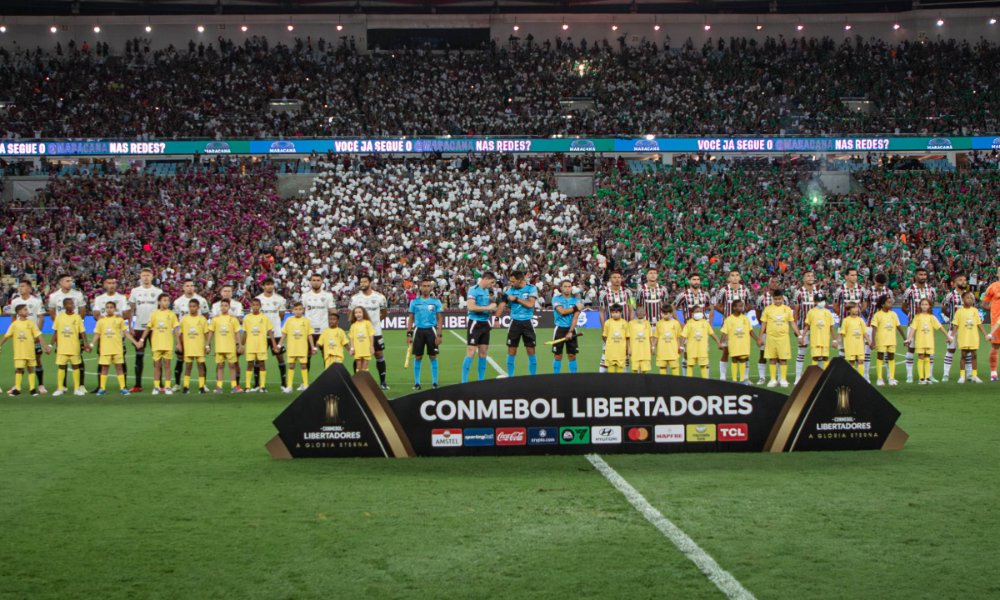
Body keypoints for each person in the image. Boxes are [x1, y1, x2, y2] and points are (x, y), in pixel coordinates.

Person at [47, 274, 87, 392]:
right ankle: (62, 386)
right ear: (61, 283)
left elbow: (83, 311)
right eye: (67, 281)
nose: (70, 282)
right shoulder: (54, 296)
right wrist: (61, 324)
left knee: (79, 357)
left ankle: (81, 385)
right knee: (61, 358)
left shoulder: (77, 294)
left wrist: (76, 323)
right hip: (62, 331)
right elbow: (52, 311)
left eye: (71, 280)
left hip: (75, 329)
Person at [349, 274, 389, 388]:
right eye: (361, 282)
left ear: (370, 283)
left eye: (365, 282)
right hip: (360, 334)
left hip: (375, 332)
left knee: (379, 354)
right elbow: (351, 314)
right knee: (359, 356)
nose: (362, 284)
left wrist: (374, 324)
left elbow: (384, 313)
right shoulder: (355, 298)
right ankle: (357, 382)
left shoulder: (380, 297)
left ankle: (383, 382)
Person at [2, 303, 51, 395]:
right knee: (19, 369)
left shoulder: (31, 323)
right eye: (25, 309)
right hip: (19, 352)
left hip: (30, 351)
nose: (27, 311)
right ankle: (17, 389)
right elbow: (6, 336)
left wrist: (45, 346)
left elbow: (38, 335)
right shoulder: (14, 324)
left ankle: (32, 389)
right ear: (19, 312)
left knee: (31, 369)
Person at [8, 279, 47, 394]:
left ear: (29, 288)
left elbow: (41, 318)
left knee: (37, 359)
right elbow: (13, 318)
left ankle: (40, 385)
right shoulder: (15, 301)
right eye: (19, 286)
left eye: (23, 286)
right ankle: (17, 385)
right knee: (20, 359)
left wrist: (36, 333)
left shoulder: (36, 301)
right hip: (21, 337)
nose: (20, 288)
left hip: (33, 336)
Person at [128, 268, 163, 392]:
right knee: (139, 356)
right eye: (143, 275)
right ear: (140, 277)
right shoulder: (135, 291)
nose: (146, 277)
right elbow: (131, 309)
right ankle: (138, 385)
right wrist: (130, 326)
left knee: (158, 357)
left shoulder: (158, 291)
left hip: (154, 329)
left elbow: (162, 309)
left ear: (152, 276)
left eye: (148, 275)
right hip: (138, 327)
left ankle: (160, 384)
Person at [498, 270, 539, 377]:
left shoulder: (531, 288)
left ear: (520, 280)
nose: (511, 283)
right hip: (514, 322)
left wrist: (516, 299)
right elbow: (502, 304)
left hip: (528, 322)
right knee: (511, 350)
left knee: (531, 350)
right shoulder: (509, 291)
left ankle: (533, 378)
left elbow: (530, 304)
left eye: (513, 281)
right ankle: (510, 377)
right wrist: (496, 318)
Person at [900, 268, 937, 383]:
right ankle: (909, 375)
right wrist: (912, 316)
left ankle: (929, 375)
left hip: (927, 327)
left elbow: (932, 305)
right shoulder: (909, 290)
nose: (923, 277)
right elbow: (903, 306)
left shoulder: (931, 290)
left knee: (929, 350)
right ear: (916, 276)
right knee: (911, 348)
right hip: (913, 325)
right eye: (920, 274)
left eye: (925, 274)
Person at [92, 301, 137, 395]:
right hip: (105, 349)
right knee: (104, 368)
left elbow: (126, 333)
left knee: (119, 368)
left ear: (115, 309)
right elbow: (97, 334)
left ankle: (123, 388)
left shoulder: (119, 320)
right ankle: (102, 388)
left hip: (117, 348)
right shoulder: (101, 321)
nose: (109, 309)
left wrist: (135, 343)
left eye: (111, 307)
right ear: (105, 309)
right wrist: (91, 344)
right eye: (107, 307)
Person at [137, 294, 179, 395]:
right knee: (156, 366)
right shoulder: (154, 314)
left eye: (168, 300)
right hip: (156, 344)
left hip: (167, 344)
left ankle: (167, 387)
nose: (166, 302)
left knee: (167, 366)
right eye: (164, 300)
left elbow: (176, 329)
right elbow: (148, 327)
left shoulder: (172, 314)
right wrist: (142, 339)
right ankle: (156, 387)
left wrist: (178, 343)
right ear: (159, 302)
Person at [406, 278, 444, 390]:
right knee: (418, 357)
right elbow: (411, 318)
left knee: (433, 356)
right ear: (420, 287)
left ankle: (435, 383)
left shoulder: (436, 302)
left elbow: (439, 319)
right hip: (418, 331)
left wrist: (439, 334)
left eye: (428, 286)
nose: (426, 288)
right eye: (424, 285)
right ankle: (417, 383)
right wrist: (409, 334)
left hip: (431, 330)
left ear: (431, 288)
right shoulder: (414, 302)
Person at [714, 270, 751, 382]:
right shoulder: (723, 290)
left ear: (740, 277)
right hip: (728, 325)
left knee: (744, 352)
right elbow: (718, 305)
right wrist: (727, 314)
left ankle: (745, 377)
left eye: (737, 275)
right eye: (732, 276)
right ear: (729, 278)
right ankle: (723, 377)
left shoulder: (745, 290)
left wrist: (742, 313)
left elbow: (749, 305)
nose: (735, 278)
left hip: (742, 326)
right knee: (726, 350)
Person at [173, 280, 210, 389]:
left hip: (197, 335)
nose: (190, 288)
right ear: (183, 288)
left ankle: (204, 384)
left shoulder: (202, 300)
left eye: (192, 286)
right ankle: (177, 384)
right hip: (183, 335)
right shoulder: (178, 302)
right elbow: (175, 319)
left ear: (194, 288)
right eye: (187, 286)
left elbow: (206, 316)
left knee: (201, 361)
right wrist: (178, 340)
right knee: (180, 359)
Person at [906, 298, 952, 385]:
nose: (924, 306)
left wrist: (948, 336)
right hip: (920, 340)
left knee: (927, 357)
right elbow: (913, 329)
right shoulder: (917, 317)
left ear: (929, 306)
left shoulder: (932, 317)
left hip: (929, 341)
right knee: (921, 357)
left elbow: (940, 327)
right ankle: (921, 378)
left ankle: (927, 377)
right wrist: (909, 339)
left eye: (926, 304)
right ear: (920, 306)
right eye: (922, 304)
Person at [462, 272, 498, 383]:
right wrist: (488, 307)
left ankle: (481, 381)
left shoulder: (487, 291)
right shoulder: (473, 290)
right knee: (471, 352)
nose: (492, 285)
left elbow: (489, 307)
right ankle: (464, 381)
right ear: (486, 279)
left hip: (485, 324)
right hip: (475, 323)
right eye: (491, 282)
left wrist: (493, 310)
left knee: (483, 352)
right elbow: (471, 307)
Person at [760, 290, 799, 387]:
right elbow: (763, 324)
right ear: (773, 299)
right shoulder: (768, 309)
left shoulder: (787, 309)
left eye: (779, 299)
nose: (778, 301)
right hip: (771, 337)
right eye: (776, 299)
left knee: (783, 359)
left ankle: (783, 379)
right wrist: (760, 337)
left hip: (783, 338)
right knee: (772, 358)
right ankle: (773, 379)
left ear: (782, 298)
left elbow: (792, 322)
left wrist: (799, 335)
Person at [51, 297, 89, 396]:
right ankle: (60, 388)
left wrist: (86, 343)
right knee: (61, 367)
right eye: (69, 304)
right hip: (62, 347)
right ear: (64, 306)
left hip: (74, 347)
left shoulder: (77, 317)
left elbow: (82, 332)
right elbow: (56, 332)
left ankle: (77, 389)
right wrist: (50, 345)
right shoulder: (59, 317)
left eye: (72, 304)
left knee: (76, 366)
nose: (71, 306)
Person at [255, 277, 287, 389]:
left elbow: (282, 315)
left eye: (271, 284)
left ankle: (284, 383)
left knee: (280, 357)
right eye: (267, 284)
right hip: (261, 334)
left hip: (276, 333)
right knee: (259, 358)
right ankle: (257, 384)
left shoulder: (280, 299)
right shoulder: (258, 299)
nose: (270, 286)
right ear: (263, 286)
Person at [599, 271, 633, 373]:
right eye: (614, 277)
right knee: (606, 354)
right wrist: (603, 328)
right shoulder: (604, 294)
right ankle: (602, 378)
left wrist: (630, 326)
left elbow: (631, 309)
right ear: (610, 279)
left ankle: (624, 380)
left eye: (619, 277)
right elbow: (601, 312)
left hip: (624, 329)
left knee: (625, 354)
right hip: (610, 329)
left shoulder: (628, 292)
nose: (617, 279)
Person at [207, 299, 243, 393]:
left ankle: (234, 386)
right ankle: (219, 387)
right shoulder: (215, 319)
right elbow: (210, 332)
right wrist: (208, 344)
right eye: (222, 305)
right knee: (220, 366)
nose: (223, 307)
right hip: (219, 347)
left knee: (232, 366)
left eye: (225, 305)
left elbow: (237, 333)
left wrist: (239, 345)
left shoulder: (233, 319)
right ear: (220, 307)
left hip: (230, 347)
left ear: (229, 307)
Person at [301, 273, 335, 373]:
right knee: (306, 355)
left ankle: (328, 379)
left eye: (318, 280)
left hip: (324, 330)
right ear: (310, 282)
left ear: (322, 282)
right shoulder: (305, 296)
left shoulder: (328, 296)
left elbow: (333, 311)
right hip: (309, 331)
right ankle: (305, 381)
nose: (316, 282)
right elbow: (300, 311)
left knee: (326, 355)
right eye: (314, 280)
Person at [719, 299, 758, 383]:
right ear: (734, 308)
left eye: (742, 306)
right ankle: (734, 380)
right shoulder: (729, 319)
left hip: (743, 343)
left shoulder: (745, 318)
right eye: (740, 306)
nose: (742, 307)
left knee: (743, 359)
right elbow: (724, 332)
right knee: (734, 360)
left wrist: (757, 339)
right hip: (733, 343)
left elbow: (750, 331)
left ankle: (742, 380)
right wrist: (720, 343)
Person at [954, 291, 990, 384]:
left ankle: (974, 375)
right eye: (968, 298)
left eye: (971, 298)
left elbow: (979, 324)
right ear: (963, 299)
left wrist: (985, 334)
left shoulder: (975, 310)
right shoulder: (959, 311)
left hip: (973, 336)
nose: (970, 300)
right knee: (963, 355)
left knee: (974, 355)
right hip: (963, 336)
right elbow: (956, 325)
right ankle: (962, 376)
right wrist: (951, 336)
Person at [792, 271, 821, 382]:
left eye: (812, 276)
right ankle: (798, 377)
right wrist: (796, 327)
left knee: (817, 352)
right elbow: (796, 311)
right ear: (803, 279)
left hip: (817, 328)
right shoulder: (799, 293)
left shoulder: (818, 292)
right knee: (802, 351)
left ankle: (818, 376)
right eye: (808, 276)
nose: (810, 277)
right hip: (803, 326)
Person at [280, 302, 316, 393]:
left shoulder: (306, 321)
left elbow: (309, 335)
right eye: (296, 309)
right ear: (292, 311)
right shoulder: (289, 320)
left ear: (303, 310)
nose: (298, 311)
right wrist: (279, 344)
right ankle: (289, 387)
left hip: (302, 347)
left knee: (303, 365)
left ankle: (306, 385)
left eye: (300, 309)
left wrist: (312, 347)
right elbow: (284, 334)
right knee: (291, 366)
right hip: (292, 347)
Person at [863, 273, 893, 381]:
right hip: (870, 324)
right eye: (878, 284)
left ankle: (890, 376)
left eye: (882, 285)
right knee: (868, 349)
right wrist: (865, 316)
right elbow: (864, 306)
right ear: (875, 281)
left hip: (884, 325)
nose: (880, 287)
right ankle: (866, 375)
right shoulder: (868, 292)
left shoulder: (888, 292)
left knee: (886, 350)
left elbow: (890, 306)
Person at [241, 298, 275, 392]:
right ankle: (247, 386)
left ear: (260, 306)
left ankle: (262, 386)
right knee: (250, 364)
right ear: (251, 306)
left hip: (261, 345)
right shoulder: (247, 318)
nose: (255, 306)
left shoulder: (264, 318)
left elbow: (270, 331)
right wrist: (241, 345)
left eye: (257, 305)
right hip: (251, 345)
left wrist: (274, 344)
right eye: (253, 305)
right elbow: (245, 332)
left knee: (262, 364)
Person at [940, 272, 969, 382]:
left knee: (967, 350)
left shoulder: (969, 295)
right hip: (953, 328)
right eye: (960, 280)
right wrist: (951, 317)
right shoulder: (950, 295)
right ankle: (946, 374)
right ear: (955, 283)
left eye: (964, 280)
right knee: (951, 349)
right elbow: (943, 308)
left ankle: (970, 374)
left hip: (966, 329)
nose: (963, 282)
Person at [550, 279, 582, 374]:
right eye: (565, 286)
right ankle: (556, 378)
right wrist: (576, 307)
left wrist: (571, 331)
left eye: (569, 286)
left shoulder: (576, 300)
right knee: (558, 355)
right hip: (559, 329)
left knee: (572, 355)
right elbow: (562, 312)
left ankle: (573, 378)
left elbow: (575, 318)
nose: (567, 288)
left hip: (571, 329)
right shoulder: (556, 299)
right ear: (561, 288)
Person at [179, 299, 210, 394]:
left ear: (198, 307)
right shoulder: (184, 319)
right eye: (190, 306)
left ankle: (201, 387)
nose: (192, 308)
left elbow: (206, 333)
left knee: (201, 366)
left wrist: (207, 345)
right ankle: (185, 387)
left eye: (194, 306)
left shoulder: (202, 319)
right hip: (188, 346)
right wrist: (180, 345)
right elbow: (181, 334)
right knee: (188, 366)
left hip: (199, 346)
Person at [871, 294, 902, 386]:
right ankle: (879, 378)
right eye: (888, 302)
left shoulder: (894, 314)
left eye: (891, 302)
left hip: (891, 339)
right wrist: (873, 341)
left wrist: (905, 338)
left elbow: (899, 326)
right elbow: (874, 329)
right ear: (882, 304)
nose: (891, 303)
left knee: (891, 357)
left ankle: (891, 378)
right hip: (881, 340)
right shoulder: (877, 315)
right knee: (880, 357)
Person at [754, 277, 781, 385]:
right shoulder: (762, 298)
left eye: (776, 282)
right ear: (769, 285)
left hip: (778, 331)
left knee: (779, 354)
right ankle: (762, 377)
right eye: (773, 282)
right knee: (763, 353)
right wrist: (763, 327)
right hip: (766, 331)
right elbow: (758, 313)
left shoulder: (782, 298)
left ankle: (779, 377)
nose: (775, 284)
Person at [680, 304, 718, 378]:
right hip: (691, 350)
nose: (699, 313)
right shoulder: (689, 323)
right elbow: (683, 336)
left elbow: (712, 333)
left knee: (703, 366)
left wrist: (718, 342)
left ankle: (705, 383)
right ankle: (689, 384)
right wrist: (681, 346)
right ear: (692, 313)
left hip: (702, 350)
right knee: (690, 366)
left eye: (700, 311)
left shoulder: (705, 323)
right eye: (697, 311)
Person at [801, 293, 836, 370]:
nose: (822, 302)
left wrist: (834, 339)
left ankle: (826, 375)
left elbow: (831, 327)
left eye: (823, 300)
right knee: (815, 357)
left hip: (825, 339)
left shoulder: (828, 312)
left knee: (825, 357)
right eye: (819, 300)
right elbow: (807, 325)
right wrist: (802, 336)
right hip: (815, 339)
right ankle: (815, 375)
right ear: (815, 302)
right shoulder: (811, 312)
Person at [838, 302, 870, 377]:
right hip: (850, 345)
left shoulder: (860, 320)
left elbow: (864, 332)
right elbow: (842, 332)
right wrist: (836, 341)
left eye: (857, 307)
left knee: (861, 361)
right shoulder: (846, 320)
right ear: (849, 310)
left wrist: (869, 341)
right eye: (854, 308)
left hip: (859, 345)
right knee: (851, 362)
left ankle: (861, 379)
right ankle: (852, 378)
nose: (857, 309)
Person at [652, 304, 682, 375]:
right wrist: (653, 347)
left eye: (666, 313)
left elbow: (678, 337)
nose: (664, 315)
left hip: (673, 352)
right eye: (663, 313)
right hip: (662, 352)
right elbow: (656, 337)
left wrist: (679, 347)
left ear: (671, 313)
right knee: (662, 370)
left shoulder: (676, 323)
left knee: (675, 370)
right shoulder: (659, 323)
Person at [982, 267, 1000, 381]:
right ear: (998, 274)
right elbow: (984, 304)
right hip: (996, 323)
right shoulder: (992, 287)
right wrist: (994, 309)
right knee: (995, 346)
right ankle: (993, 372)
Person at [602, 304, 629, 374]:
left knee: (620, 372)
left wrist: (627, 348)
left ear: (621, 313)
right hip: (611, 351)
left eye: (616, 312)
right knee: (611, 372)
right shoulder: (607, 322)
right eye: (613, 312)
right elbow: (604, 336)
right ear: (610, 313)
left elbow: (627, 337)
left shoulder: (625, 323)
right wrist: (608, 345)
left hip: (621, 351)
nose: (614, 314)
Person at [348, 306, 376, 373]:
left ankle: (364, 381)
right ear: (354, 315)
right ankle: (359, 382)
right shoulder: (353, 325)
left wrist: (371, 346)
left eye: (360, 312)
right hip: (358, 349)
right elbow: (352, 338)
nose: (358, 314)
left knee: (365, 366)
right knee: (358, 365)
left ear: (363, 313)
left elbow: (371, 335)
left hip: (366, 348)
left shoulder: (367, 323)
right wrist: (352, 348)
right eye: (356, 313)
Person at [628, 306, 653, 374]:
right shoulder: (631, 323)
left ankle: (644, 384)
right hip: (634, 352)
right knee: (634, 371)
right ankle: (635, 384)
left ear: (645, 313)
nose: (641, 312)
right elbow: (628, 337)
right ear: (636, 313)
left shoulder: (647, 323)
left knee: (645, 372)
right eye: (639, 311)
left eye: (642, 311)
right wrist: (629, 348)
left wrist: (652, 347)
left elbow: (650, 336)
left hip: (645, 352)